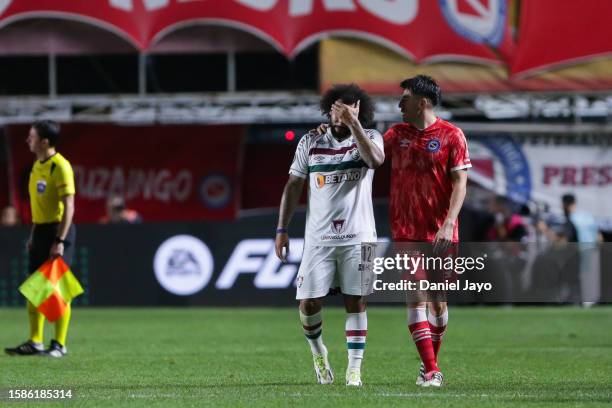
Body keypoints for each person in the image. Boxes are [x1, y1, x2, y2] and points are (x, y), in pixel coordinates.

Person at [275, 84, 384, 387]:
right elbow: (293, 186)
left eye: (352, 107)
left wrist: (354, 124)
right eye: (340, 107)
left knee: (356, 301)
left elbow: (375, 161)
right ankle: (318, 353)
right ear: (329, 109)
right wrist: (281, 229)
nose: (346, 111)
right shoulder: (310, 141)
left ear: (361, 110)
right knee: (308, 303)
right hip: (319, 240)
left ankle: (354, 369)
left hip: (358, 236)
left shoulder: (371, 137)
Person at [384, 75, 471, 387]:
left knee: (438, 303)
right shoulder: (395, 135)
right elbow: (369, 156)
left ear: (421, 102)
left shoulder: (452, 135)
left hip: (440, 232)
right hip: (405, 230)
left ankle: (428, 363)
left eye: (404, 98)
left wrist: (449, 223)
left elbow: (461, 184)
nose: (399, 104)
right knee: (416, 297)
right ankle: (432, 370)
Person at [4, 120, 76, 358]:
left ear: (45, 141)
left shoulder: (60, 167)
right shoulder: (37, 166)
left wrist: (60, 241)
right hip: (41, 232)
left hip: (58, 231)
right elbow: (39, 206)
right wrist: (34, 234)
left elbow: (69, 207)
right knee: (34, 288)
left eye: (32, 137)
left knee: (55, 289)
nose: (28, 140)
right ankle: (35, 342)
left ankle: (59, 345)